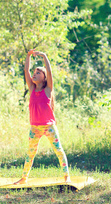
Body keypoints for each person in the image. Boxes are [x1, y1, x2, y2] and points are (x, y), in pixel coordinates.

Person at [15, 49, 70, 184]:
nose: (34, 75)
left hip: (49, 127)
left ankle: (66, 176)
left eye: (38, 73)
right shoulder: (32, 89)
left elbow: (50, 72)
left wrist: (44, 56)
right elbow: (26, 70)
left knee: (59, 151)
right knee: (30, 154)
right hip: (34, 128)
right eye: (34, 73)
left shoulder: (48, 89)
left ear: (44, 77)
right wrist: (28, 56)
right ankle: (24, 178)